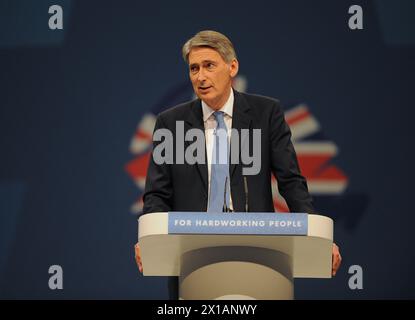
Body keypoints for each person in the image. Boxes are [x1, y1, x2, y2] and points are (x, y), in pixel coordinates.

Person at [134, 30, 342, 299]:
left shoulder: (266, 113)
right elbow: (157, 194)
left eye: (209, 65)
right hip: (192, 259)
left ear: (232, 67)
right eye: (194, 68)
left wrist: (318, 238)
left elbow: (290, 181)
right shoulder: (170, 124)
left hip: (260, 257)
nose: (200, 76)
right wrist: (149, 238)